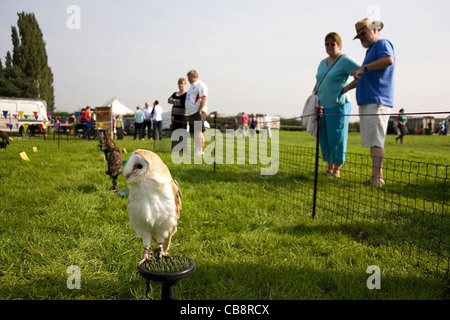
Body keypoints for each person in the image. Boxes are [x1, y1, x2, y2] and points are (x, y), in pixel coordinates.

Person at [352, 17, 396, 187]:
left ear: (375, 29)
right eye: (359, 36)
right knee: (372, 140)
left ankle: (377, 179)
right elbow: (363, 76)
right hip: (368, 100)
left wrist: (364, 68)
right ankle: (375, 177)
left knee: (376, 140)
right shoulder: (370, 51)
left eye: (363, 34)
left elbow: (388, 60)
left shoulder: (382, 44)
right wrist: (346, 88)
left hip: (377, 100)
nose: (361, 38)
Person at [314, 32, 360, 178]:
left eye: (332, 44)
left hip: (338, 105)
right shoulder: (322, 62)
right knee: (325, 137)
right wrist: (313, 97)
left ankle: (337, 169)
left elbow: (361, 73)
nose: (329, 47)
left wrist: (345, 89)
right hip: (322, 105)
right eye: (326, 44)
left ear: (339, 45)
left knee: (337, 137)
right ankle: (329, 167)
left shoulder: (344, 60)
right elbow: (319, 80)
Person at [186, 69, 208, 154]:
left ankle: (200, 150)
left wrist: (199, 110)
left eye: (189, 78)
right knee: (194, 132)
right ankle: (196, 148)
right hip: (191, 112)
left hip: (197, 112)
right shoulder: (192, 86)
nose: (188, 80)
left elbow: (204, 98)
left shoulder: (201, 85)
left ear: (194, 77)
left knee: (198, 131)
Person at [168, 77, 188, 151]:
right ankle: (175, 148)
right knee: (174, 131)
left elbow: (183, 102)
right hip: (174, 115)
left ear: (185, 84)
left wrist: (175, 101)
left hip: (183, 116)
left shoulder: (187, 94)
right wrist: (176, 100)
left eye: (182, 84)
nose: (180, 85)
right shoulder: (175, 93)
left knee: (182, 131)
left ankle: (182, 148)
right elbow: (169, 100)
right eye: (179, 84)